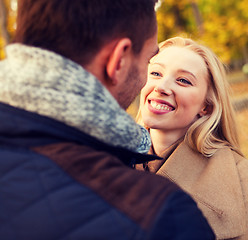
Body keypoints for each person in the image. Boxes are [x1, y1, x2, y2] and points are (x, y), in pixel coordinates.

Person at [0, 1, 215, 239]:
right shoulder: (163, 218)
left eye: (183, 80)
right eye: (150, 65)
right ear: (118, 61)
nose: (158, 85)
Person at [136, 37, 248, 240]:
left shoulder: (235, 171)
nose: (161, 86)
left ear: (206, 106)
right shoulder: (105, 157)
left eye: (183, 80)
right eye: (155, 73)